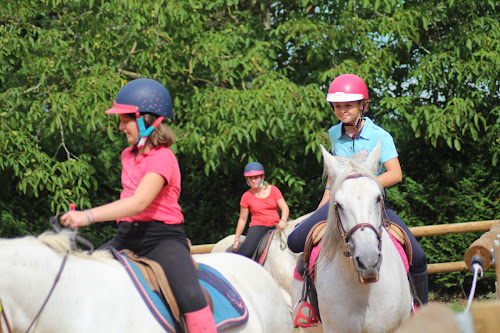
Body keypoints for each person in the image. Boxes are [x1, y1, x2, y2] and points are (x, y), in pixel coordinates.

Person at [61, 78, 216, 333]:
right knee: (81, 277)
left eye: (125, 119)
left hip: (162, 239)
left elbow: (139, 202)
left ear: (146, 120)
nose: (121, 126)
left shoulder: (164, 158)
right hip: (126, 237)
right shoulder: (127, 155)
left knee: (190, 296)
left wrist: (86, 216)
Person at [287, 73, 428, 305]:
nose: (343, 111)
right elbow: (333, 180)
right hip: (340, 204)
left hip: (373, 204)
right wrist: (319, 210)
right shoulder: (334, 134)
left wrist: (360, 187)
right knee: (297, 241)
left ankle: (421, 313)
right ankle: (308, 306)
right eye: (338, 106)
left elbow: (395, 173)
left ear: (363, 105)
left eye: (349, 105)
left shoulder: (380, 136)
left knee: (419, 258)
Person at [233, 162, 290, 258]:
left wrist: (283, 220)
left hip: (276, 226)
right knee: (246, 253)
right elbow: (242, 220)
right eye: (250, 178)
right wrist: (236, 240)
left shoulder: (274, 190)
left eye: (256, 177)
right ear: (247, 179)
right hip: (258, 227)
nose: (253, 180)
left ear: (262, 177)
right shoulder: (246, 196)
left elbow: (284, 207)